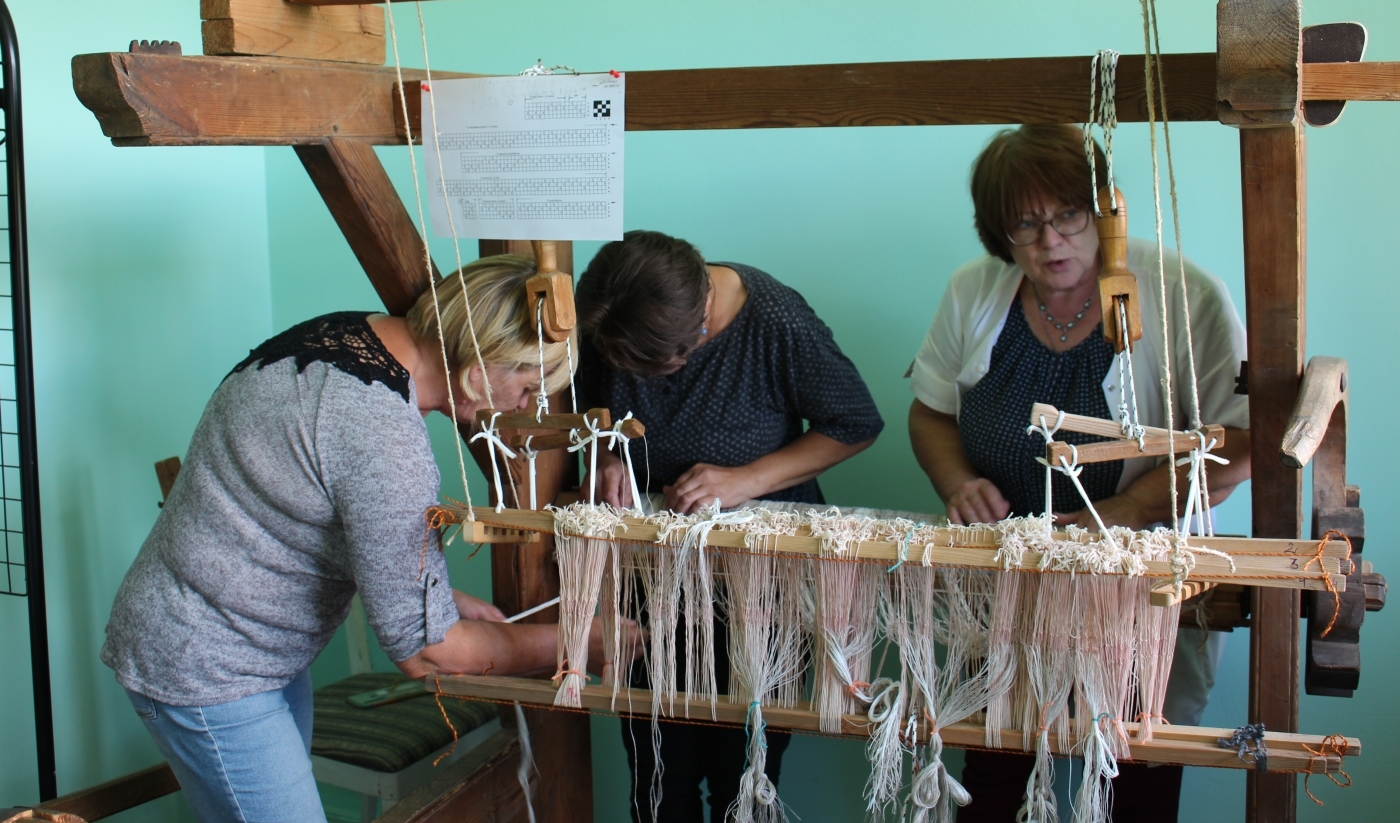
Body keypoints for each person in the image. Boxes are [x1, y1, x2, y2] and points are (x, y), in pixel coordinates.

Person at [102, 255, 625, 823]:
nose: (526, 407)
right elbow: (430, 653)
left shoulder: (347, 334)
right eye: (526, 387)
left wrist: (435, 599)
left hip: (241, 641)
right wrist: (574, 644)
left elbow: (312, 503)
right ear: (477, 373)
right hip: (206, 661)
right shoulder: (383, 434)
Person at [906, 124, 1252, 823]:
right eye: (1025, 225)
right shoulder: (976, 291)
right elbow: (931, 413)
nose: (1050, 241)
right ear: (998, 233)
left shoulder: (1185, 294)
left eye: (1068, 215)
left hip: (1136, 591)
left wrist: (1125, 513)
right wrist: (956, 484)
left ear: (1105, 211)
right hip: (1010, 587)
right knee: (994, 777)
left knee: (1135, 773)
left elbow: (1238, 443)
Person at [575, 230, 884, 822]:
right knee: (657, 777)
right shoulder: (615, 311)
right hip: (655, 571)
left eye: (664, 363)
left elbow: (855, 422)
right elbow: (587, 405)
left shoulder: (775, 321)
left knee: (745, 780)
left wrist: (748, 479)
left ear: (702, 320)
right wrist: (605, 452)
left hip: (760, 579)